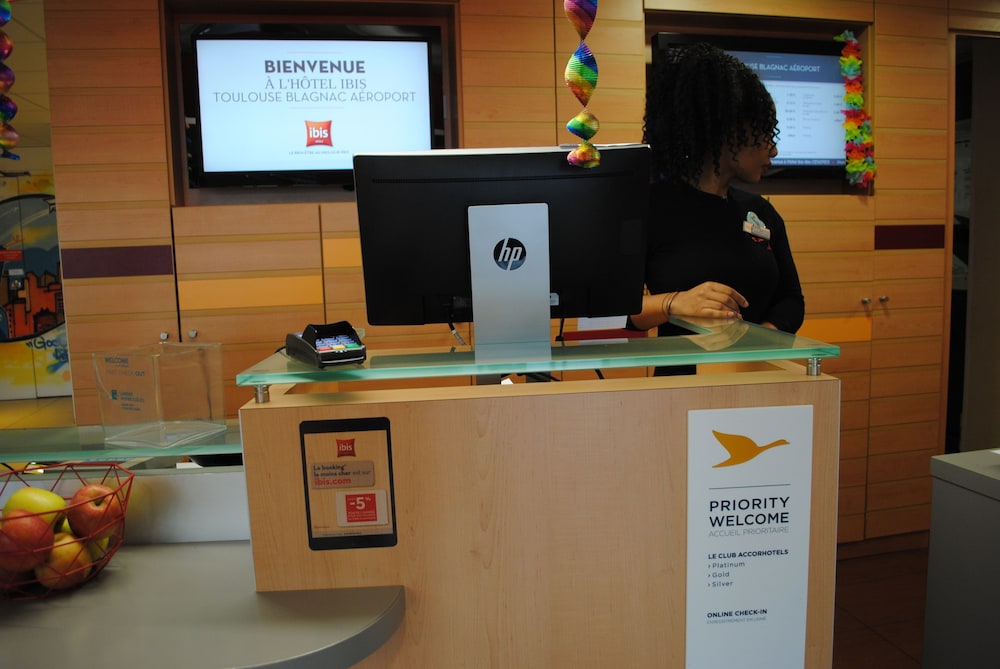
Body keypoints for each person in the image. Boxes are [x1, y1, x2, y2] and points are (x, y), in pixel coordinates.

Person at [629, 42, 805, 357]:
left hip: (758, 372)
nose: (774, 150)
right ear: (727, 132)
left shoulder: (761, 211)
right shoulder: (648, 209)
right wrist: (672, 303)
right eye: (765, 133)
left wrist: (757, 342)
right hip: (684, 376)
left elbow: (791, 301)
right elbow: (614, 311)